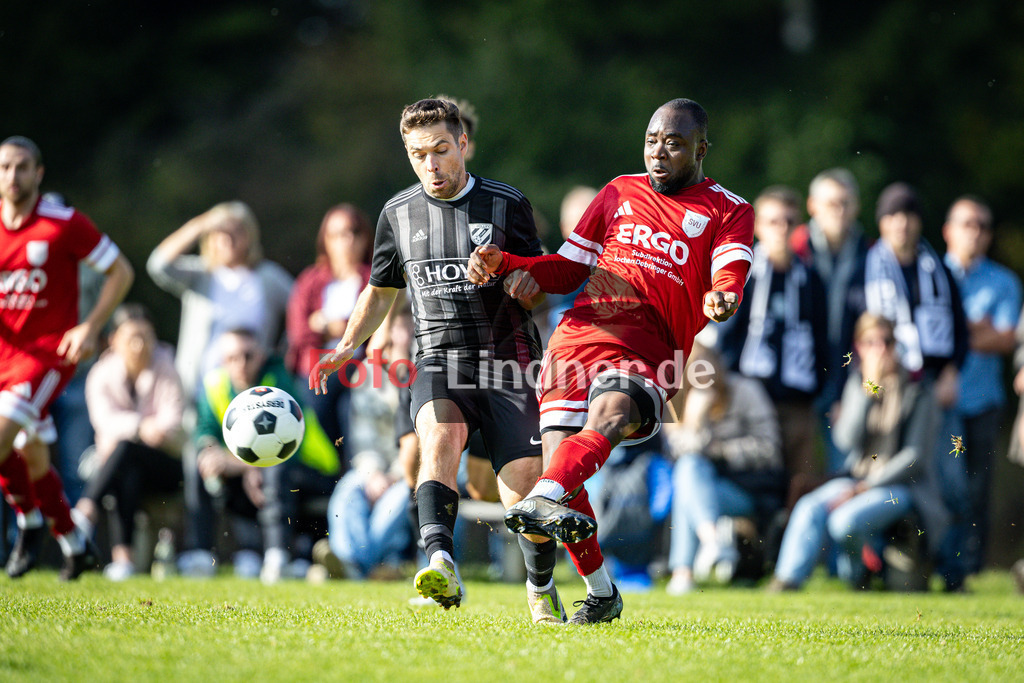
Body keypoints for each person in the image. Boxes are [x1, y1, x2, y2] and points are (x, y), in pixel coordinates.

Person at [468, 98, 754, 622]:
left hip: (649, 349)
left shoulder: (728, 208)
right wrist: (507, 262)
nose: (659, 153)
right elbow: (565, 268)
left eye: (673, 142)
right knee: (564, 461)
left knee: (608, 419)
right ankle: (601, 592)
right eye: (651, 141)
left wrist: (724, 294)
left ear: (701, 149)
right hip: (577, 338)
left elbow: (731, 264)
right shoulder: (618, 192)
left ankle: (544, 496)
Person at [311, 98, 563, 624]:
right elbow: (381, 290)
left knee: (522, 491)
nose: (432, 165)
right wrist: (349, 345)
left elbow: (542, 281)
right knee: (438, 439)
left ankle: (540, 587)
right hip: (438, 358)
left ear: (463, 144)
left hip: (507, 363)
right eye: (418, 154)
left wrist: (517, 278)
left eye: (442, 150)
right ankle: (442, 565)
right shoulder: (396, 214)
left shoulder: (506, 204)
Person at [0, 136, 134, 579]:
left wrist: (90, 326)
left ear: (38, 174)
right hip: (5, 354)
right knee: (32, 458)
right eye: (4, 168)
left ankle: (29, 522)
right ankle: (72, 542)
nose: (12, 177)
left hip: (47, 357)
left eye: (22, 167)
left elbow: (121, 271)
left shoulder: (62, 223)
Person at [844, 182, 968, 589]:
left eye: (909, 215)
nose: (902, 224)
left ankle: (952, 571)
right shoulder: (866, 267)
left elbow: (959, 327)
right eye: (894, 215)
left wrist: (951, 371)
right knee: (870, 465)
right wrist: (855, 384)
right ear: (882, 222)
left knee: (949, 481)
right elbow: (850, 329)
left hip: (930, 388)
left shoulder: (938, 269)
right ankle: (865, 568)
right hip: (880, 387)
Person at [769, 313, 948, 591]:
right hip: (858, 478)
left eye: (886, 342)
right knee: (809, 507)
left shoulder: (918, 388)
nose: (880, 350)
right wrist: (868, 392)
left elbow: (914, 458)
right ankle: (787, 581)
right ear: (859, 347)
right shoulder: (857, 383)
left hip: (902, 486)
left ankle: (855, 577)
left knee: (845, 521)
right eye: (871, 342)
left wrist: (866, 486)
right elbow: (845, 440)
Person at [188, 328, 340, 583]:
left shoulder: (277, 385)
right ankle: (201, 555)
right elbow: (204, 430)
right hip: (262, 473)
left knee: (274, 470)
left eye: (248, 355)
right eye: (232, 358)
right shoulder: (213, 384)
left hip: (316, 473)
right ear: (222, 361)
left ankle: (277, 558)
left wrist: (243, 466)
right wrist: (212, 452)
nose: (241, 364)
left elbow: (284, 451)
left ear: (260, 356)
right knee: (201, 462)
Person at [717, 186, 829, 508]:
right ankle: (754, 552)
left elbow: (822, 340)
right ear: (758, 227)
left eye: (788, 221)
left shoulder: (810, 279)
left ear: (798, 227)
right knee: (757, 479)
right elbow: (726, 336)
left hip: (798, 401)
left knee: (802, 482)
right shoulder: (742, 274)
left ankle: (795, 552)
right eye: (772, 221)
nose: (781, 229)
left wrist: (822, 388)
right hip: (752, 397)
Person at [73, 304, 186, 580]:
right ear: (113, 340)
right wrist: (142, 427)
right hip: (121, 463)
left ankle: (86, 510)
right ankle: (123, 561)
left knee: (126, 451)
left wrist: (135, 430)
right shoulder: (101, 373)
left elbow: (170, 425)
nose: (139, 345)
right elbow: (103, 421)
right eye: (131, 337)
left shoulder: (167, 366)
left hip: (166, 464)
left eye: (146, 336)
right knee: (128, 467)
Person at [664, 343, 784, 595]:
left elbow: (769, 448)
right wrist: (697, 418)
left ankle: (683, 571)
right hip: (703, 487)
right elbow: (678, 452)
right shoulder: (676, 400)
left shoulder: (746, 390)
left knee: (687, 488)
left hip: (749, 486)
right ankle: (712, 541)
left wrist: (721, 451)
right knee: (688, 471)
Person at [941, 196, 1021, 574]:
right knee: (944, 485)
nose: (975, 232)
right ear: (948, 230)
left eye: (983, 226)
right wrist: (977, 328)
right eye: (967, 223)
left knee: (978, 489)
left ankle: (968, 568)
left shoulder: (1004, 281)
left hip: (983, 402)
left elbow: (1006, 339)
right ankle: (940, 563)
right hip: (941, 401)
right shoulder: (933, 273)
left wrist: (953, 330)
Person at [146, 201, 294, 400]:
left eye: (236, 232)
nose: (228, 239)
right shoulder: (201, 273)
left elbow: (301, 307)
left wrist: (284, 352)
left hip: (254, 390)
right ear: (209, 238)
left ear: (249, 235)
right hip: (200, 389)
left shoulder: (268, 277)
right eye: (220, 233)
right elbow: (158, 265)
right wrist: (200, 224)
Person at [790, 168, 869, 473]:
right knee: (797, 468)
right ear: (813, 206)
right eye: (831, 202)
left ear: (857, 206)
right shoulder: (792, 250)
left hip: (849, 374)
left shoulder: (871, 253)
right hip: (799, 374)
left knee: (845, 465)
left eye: (846, 202)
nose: (839, 210)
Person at [286, 204, 373, 466]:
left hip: (361, 366)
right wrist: (341, 329)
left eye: (353, 232)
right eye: (337, 234)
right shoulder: (310, 281)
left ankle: (352, 474)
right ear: (325, 239)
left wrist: (332, 325)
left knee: (352, 410)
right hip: (315, 365)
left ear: (365, 237)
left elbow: (377, 326)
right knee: (318, 403)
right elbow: (299, 332)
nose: (347, 240)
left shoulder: (374, 279)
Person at [325, 449, 411, 580]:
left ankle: (353, 568)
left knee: (405, 490)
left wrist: (393, 477)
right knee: (351, 481)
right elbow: (362, 452)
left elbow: (415, 453)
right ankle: (349, 561)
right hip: (369, 475)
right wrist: (373, 475)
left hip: (401, 478)